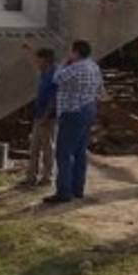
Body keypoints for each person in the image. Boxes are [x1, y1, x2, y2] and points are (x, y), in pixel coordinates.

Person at [44, 39, 104, 205]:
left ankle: (64, 192)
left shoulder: (75, 67)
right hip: (88, 109)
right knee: (80, 152)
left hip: (73, 111)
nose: (68, 53)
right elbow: (100, 88)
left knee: (64, 153)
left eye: (70, 51)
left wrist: (64, 63)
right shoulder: (93, 66)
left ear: (76, 52)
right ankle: (78, 189)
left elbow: (56, 79)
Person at [21, 45, 58, 187]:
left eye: (39, 60)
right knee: (34, 147)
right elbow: (34, 62)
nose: (37, 62)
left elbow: (53, 99)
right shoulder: (44, 72)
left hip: (48, 117)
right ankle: (31, 176)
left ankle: (47, 177)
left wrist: (45, 116)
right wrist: (29, 51)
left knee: (47, 148)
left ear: (46, 60)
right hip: (39, 115)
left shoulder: (54, 74)